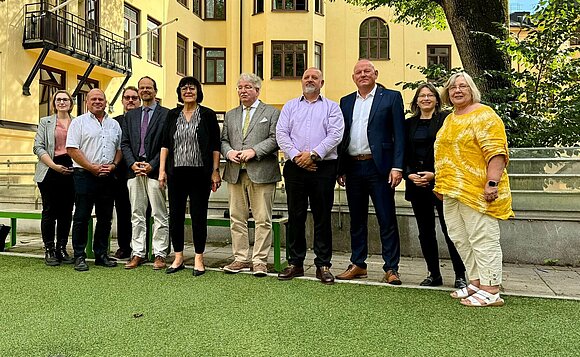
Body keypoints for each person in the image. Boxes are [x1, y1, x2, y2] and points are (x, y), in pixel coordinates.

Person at [434, 72, 513, 307]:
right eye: (452, 88)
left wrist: (492, 183)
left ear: (472, 90)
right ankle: (476, 281)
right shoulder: (450, 118)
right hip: (451, 190)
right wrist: (441, 183)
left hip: (477, 189)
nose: (457, 91)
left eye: (462, 86)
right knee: (460, 237)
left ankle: (491, 289)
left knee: (483, 237)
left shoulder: (485, 115)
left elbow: (496, 151)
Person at [336, 59, 405, 285]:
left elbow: (399, 135)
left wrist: (397, 166)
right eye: (358, 72)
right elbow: (342, 137)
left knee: (386, 218)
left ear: (375, 73)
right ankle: (358, 263)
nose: (363, 74)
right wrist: (342, 168)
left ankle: (391, 268)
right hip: (354, 167)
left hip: (380, 168)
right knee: (357, 219)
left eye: (367, 71)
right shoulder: (345, 102)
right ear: (353, 77)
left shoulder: (391, 98)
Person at [276, 67, 344, 284]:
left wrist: (314, 155)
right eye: (306, 77)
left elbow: (336, 134)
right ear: (301, 82)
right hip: (295, 167)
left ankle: (323, 264)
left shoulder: (332, 107)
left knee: (322, 216)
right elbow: (281, 134)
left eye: (315, 77)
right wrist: (298, 157)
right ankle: (295, 263)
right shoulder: (289, 106)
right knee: (295, 216)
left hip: (323, 168)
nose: (310, 80)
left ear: (322, 83)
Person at [404, 83, 466, 288]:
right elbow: (403, 152)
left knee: (451, 230)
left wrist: (435, 175)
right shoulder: (408, 124)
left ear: (437, 100)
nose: (426, 99)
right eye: (422, 95)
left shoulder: (445, 120)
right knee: (425, 231)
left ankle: (460, 275)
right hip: (416, 185)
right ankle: (433, 274)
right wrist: (409, 174)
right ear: (416, 101)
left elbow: (452, 152)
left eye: (430, 95)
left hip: (441, 183)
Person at [159, 76, 221, 276]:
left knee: (198, 216)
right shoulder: (172, 115)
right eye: (184, 88)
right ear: (179, 92)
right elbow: (165, 145)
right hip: (176, 173)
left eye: (192, 88)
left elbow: (214, 147)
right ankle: (178, 257)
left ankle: (198, 258)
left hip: (200, 174)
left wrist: (215, 170)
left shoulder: (208, 115)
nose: (188, 91)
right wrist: (161, 171)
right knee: (175, 215)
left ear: (198, 92)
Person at [221, 73, 281, 277]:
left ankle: (260, 261)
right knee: (237, 218)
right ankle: (240, 258)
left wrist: (254, 151)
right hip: (235, 173)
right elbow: (223, 140)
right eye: (239, 87)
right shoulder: (230, 114)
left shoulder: (272, 112)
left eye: (247, 87)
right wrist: (228, 152)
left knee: (263, 218)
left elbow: (276, 139)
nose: (243, 91)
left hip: (262, 172)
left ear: (257, 90)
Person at [66, 88, 123, 271]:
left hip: (108, 176)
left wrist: (113, 165)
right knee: (82, 217)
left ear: (106, 102)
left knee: (105, 218)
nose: (97, 102)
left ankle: (101, 254)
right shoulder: (78, 123)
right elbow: (72, 149)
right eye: (93, 99)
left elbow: (120, 149)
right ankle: (80, 256)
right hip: (84, 175)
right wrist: (91, 167)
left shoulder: (114, 124)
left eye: (101, 99)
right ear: (87, 102)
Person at [121, 77, 169, 270]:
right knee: (136, 214)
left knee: (159, 214)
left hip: (155, 171)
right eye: (142, 88)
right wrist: (132, 164)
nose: (145, 90)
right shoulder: (130, 116)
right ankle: (138, 253)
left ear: (155, 91)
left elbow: (168, 144)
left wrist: (152, 164)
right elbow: (124, 143)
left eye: (148, 87)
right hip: (134, 172)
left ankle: (159, 254)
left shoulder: (166, 115)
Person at [33, 90, 75, 266]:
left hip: (72, 168)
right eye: (58, 99)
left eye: (65, 99)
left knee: (66, 212)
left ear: (71, 103)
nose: (62, 102)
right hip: (50, 169)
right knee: (50, 211)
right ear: (54, 103)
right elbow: (38, 147)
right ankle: (49, 249)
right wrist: (54, 166)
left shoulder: (77, 122)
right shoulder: (45, 122)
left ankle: (62, 248)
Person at [112, 86, 140, 259]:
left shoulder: (145, 119)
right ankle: (124, 246)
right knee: (123, 212)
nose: (130, 100)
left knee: (142, 212)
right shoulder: (115, 122)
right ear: (122, 101)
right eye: (127, 97)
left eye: (134, 98)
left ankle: (142, 246)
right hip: (120, 174)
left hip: (141, 172)